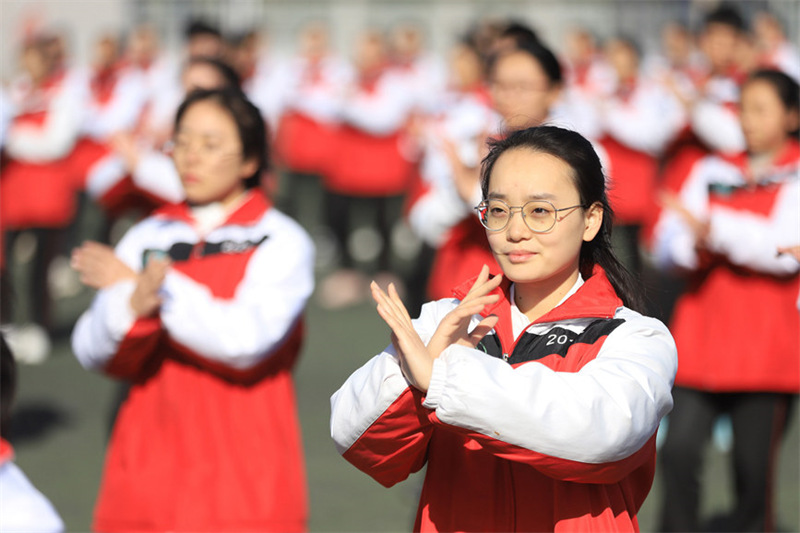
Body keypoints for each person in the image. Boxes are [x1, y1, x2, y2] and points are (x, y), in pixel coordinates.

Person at [331, 125, 677, 532]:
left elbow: (599, 434)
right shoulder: (450, 317)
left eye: (540, 211)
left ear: (591, 219)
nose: (515, 231)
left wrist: (443, 378)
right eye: (498, 210)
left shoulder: (635, 336)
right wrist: (412, 380)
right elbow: (355, 437)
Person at [70, 87, 314, 532]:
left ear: (250, 159)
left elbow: (244, 341)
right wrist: (131, 309)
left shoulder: (282, 239)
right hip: (147, 465)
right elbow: (91, 350)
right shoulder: (147, 233)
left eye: (210, 144)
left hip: (245, 470)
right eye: (181, 142)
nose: (190, 157)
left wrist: (154, 291)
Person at [652, 68, 799, 532]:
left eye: (761, 109)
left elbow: (786, 250)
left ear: (792, 116)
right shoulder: (712, 167)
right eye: (743, 109)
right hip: (702, 337)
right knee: (677, 453)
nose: (748, 120)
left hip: (769, 345)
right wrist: (692, 244)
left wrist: (714, 230)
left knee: (754, 473)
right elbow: (665, 243)